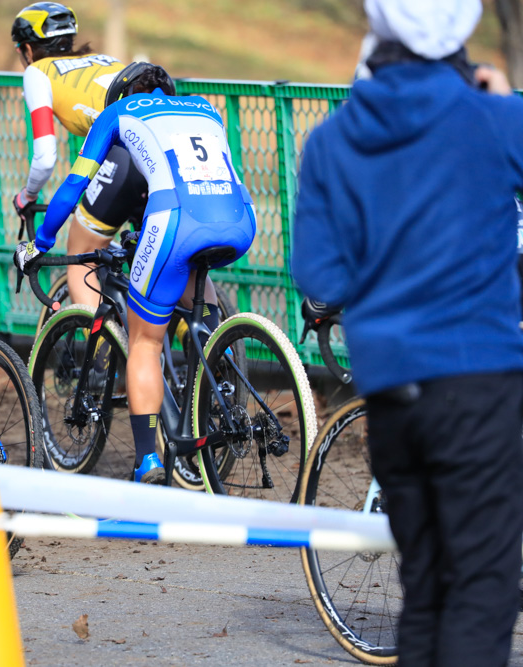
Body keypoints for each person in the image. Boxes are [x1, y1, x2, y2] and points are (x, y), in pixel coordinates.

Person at [291, 1, 523, 664]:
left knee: (424, 589)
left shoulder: (330, 140)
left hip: (391, 389)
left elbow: (318, 272)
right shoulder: (492, 117)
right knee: (481, 591)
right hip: (476, 382)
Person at [15, 64, 256, 482]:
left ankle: (148, 459)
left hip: (174, 219)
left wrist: (40, 242)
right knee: (197, 295)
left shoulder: (117, 113)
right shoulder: (204, 107)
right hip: (240, 220)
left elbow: (72, 188)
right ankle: (223, 362)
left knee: (145, 341)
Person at [11, 3, 152, 311]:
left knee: (81, 253)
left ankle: (101, 356)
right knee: (168, 271)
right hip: (161, 159)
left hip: (124, 160)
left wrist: (27, 195)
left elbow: (46, 157)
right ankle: (207, 345)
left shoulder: (37, 72)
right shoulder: (107, 60)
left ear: (27, 49)